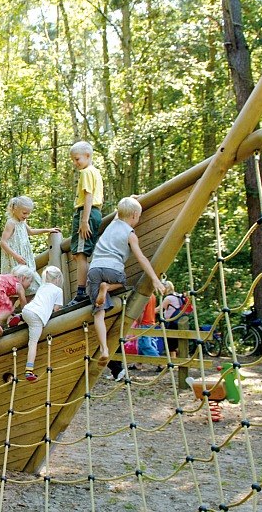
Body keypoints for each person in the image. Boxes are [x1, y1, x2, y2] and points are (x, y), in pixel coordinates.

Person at [86, 196, 166, 363]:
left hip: (94, 269)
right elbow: (141, 258)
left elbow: (120, 211)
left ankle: (104, 348)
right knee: (122, 282)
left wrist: (129, 198)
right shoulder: (130, 234)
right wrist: (155, 280)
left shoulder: (112, 224)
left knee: (98, 312)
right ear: (135, 215)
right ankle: (108, 288)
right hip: (113, 270)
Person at [66, 141, 104, 307]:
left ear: (88, 156)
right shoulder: (95, 172)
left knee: (81, 254)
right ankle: (86, 288)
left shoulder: (87, 172)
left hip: (85, 213)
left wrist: (84, 221)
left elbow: (88, 196)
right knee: (78, 254)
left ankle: (81, 292)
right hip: (92, 213)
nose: (75, 163)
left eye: (77, 159)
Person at [0, 196, 59, 295]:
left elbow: (31, 231)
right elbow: (3, 242)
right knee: (16, 286)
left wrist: (48, 230)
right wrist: (16, 256)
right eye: (24, 213)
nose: (26, 216)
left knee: (32, 284)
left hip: (24, 259)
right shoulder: (11, 223)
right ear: (15, 209)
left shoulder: (22, 222)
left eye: (28, 213)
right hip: (15, 260)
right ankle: (11, 308)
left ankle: (26, 306)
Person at [20, 266, 64, 382]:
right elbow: (56, 309)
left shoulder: (42, 287)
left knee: (27, 316)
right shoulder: (58, 290)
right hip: (37, 317)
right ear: (58, 279)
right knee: (33, 342)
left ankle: (18, 318)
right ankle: (29, 370)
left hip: (27, 310)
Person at [0, 265, 35, 338]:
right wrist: (27, 316)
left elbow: (8, 299)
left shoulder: (9, 279)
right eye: (30, 281)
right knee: (9, 309)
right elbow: (23, 303)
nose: (29, 285)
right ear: (24, 278)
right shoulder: (19, 286)